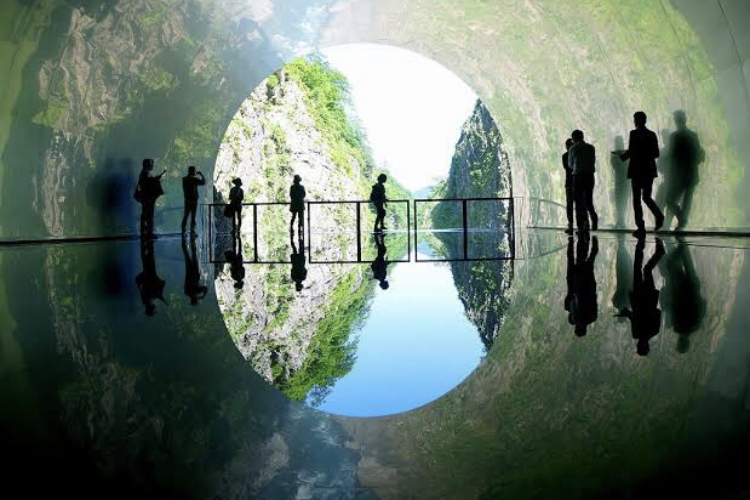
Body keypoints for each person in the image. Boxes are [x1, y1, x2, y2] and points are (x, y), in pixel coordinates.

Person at [614, 111, 665, 237]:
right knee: (646, 197)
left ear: (637, 121)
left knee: (637, 199)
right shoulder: (652, 134)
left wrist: (622, 156)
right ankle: (659, 216)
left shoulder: (634, 134)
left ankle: (641, 227)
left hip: (637, 170)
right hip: (648, 170)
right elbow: (656, 153)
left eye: (635, 120)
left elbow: (632, 151)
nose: (634, 122)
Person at [616, 237, 665, 356]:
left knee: (646, 270)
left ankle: (657, 251)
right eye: (640, 346)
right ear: (643, 346)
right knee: (638, 268)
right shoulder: (637, 333)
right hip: (639, 297)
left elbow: (658, 312)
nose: (638, 344)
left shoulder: (654, 331)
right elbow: (634, 317)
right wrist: (628, 313)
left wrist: (633, 314)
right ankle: (641, 242)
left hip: (648, 296)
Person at [659, 237, 705, 353]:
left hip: (693, 286)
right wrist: (665, 306)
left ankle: (680, 242)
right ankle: (679, 243)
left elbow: (703, 304)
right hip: (681, 288)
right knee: (670, 264)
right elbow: (672, 305)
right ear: (679, 341)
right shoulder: (677, 325)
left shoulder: (696, 325)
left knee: (686, 261)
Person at [665, 110, 704, 230]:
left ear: (676, 121)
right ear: (685, 119)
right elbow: (698, 154)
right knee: (687, 201)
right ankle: (682, 223)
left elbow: (671, 157)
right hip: (691, 174)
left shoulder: (674, 136)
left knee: (670, 200)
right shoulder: (693, 135)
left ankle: (682, 221)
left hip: (679, 176)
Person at [568, 130, 598, 233]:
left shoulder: (573, 148)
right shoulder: (591, 148)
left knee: (578, 201)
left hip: (578, 176)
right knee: (588, 200)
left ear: (574, 138)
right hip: (590, 176)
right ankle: (593, 217)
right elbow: (592, 161)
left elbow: (570, 164)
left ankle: (581, 226)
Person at [569, 235, 599, 337]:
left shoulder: (592, 318)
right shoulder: (576, 317)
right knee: (582, 262)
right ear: (578, 328)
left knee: (590, 263)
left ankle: (593, 243)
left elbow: (595, 301)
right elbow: (573, 302)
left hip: (590, 289)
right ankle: (585, 238)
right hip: (580, 287)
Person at [134, 158, 166, 238]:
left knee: (146, 215)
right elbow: (149, 182)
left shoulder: (145, 172)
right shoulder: (145, 173)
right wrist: (157, 178)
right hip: (148, 198)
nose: (152, 166)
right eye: (151, 164)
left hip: (147, 197)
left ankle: (145, 232)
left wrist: (156, 179)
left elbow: (149, 182)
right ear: (147, 165)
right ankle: (148, 233)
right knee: (148, 215)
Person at [135, 238, 167, 316]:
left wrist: (160, 296)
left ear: (149, 308)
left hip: (149, 274)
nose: (154, 307)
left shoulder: (147, 299)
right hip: (149, 274)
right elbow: (142, 289)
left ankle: (148, 242)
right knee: (147, 258)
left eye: (153, 309)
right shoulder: (147, 299)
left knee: (148, 258)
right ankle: (147, 242)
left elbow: (147, 292)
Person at [610, 135, 630, 228]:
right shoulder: (625, 154)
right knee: (621, 200)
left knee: (620, 201)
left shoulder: (616, 155)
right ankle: (620, 221)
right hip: (625, 180)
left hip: (621, 180)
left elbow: (616, 166)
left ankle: (621, 221)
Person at [182, 236, 207, 305]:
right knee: (189, 254)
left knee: (191, 254)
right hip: (191, 271)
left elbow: (205, 288)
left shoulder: (192, 291)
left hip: (192, 271)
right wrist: (202, 295)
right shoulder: (187, 292)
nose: (197, 296)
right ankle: (188, 237)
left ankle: (188, 237)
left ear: (195, 298)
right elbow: (205, 288)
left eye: (196, 298)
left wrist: (202, 296)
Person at [181, 166, 205, 235]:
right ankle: (192, 231)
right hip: (194, 200)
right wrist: (201, 175)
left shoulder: (184, 179)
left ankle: (183, 230)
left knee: (186, 215)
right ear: (192, 171)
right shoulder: (194, 179)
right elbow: (203, 182)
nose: (195, 172)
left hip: (187, 200)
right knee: (193, 216)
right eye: (194, 171)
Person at [562, 138, 575, 234]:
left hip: (570, 183)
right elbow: (568, 167)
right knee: (573, 205)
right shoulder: (567, 156)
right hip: (572, 182)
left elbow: (567, 168)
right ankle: (573, 225)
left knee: (570, 205)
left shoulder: (565, 156)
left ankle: (571, 225)